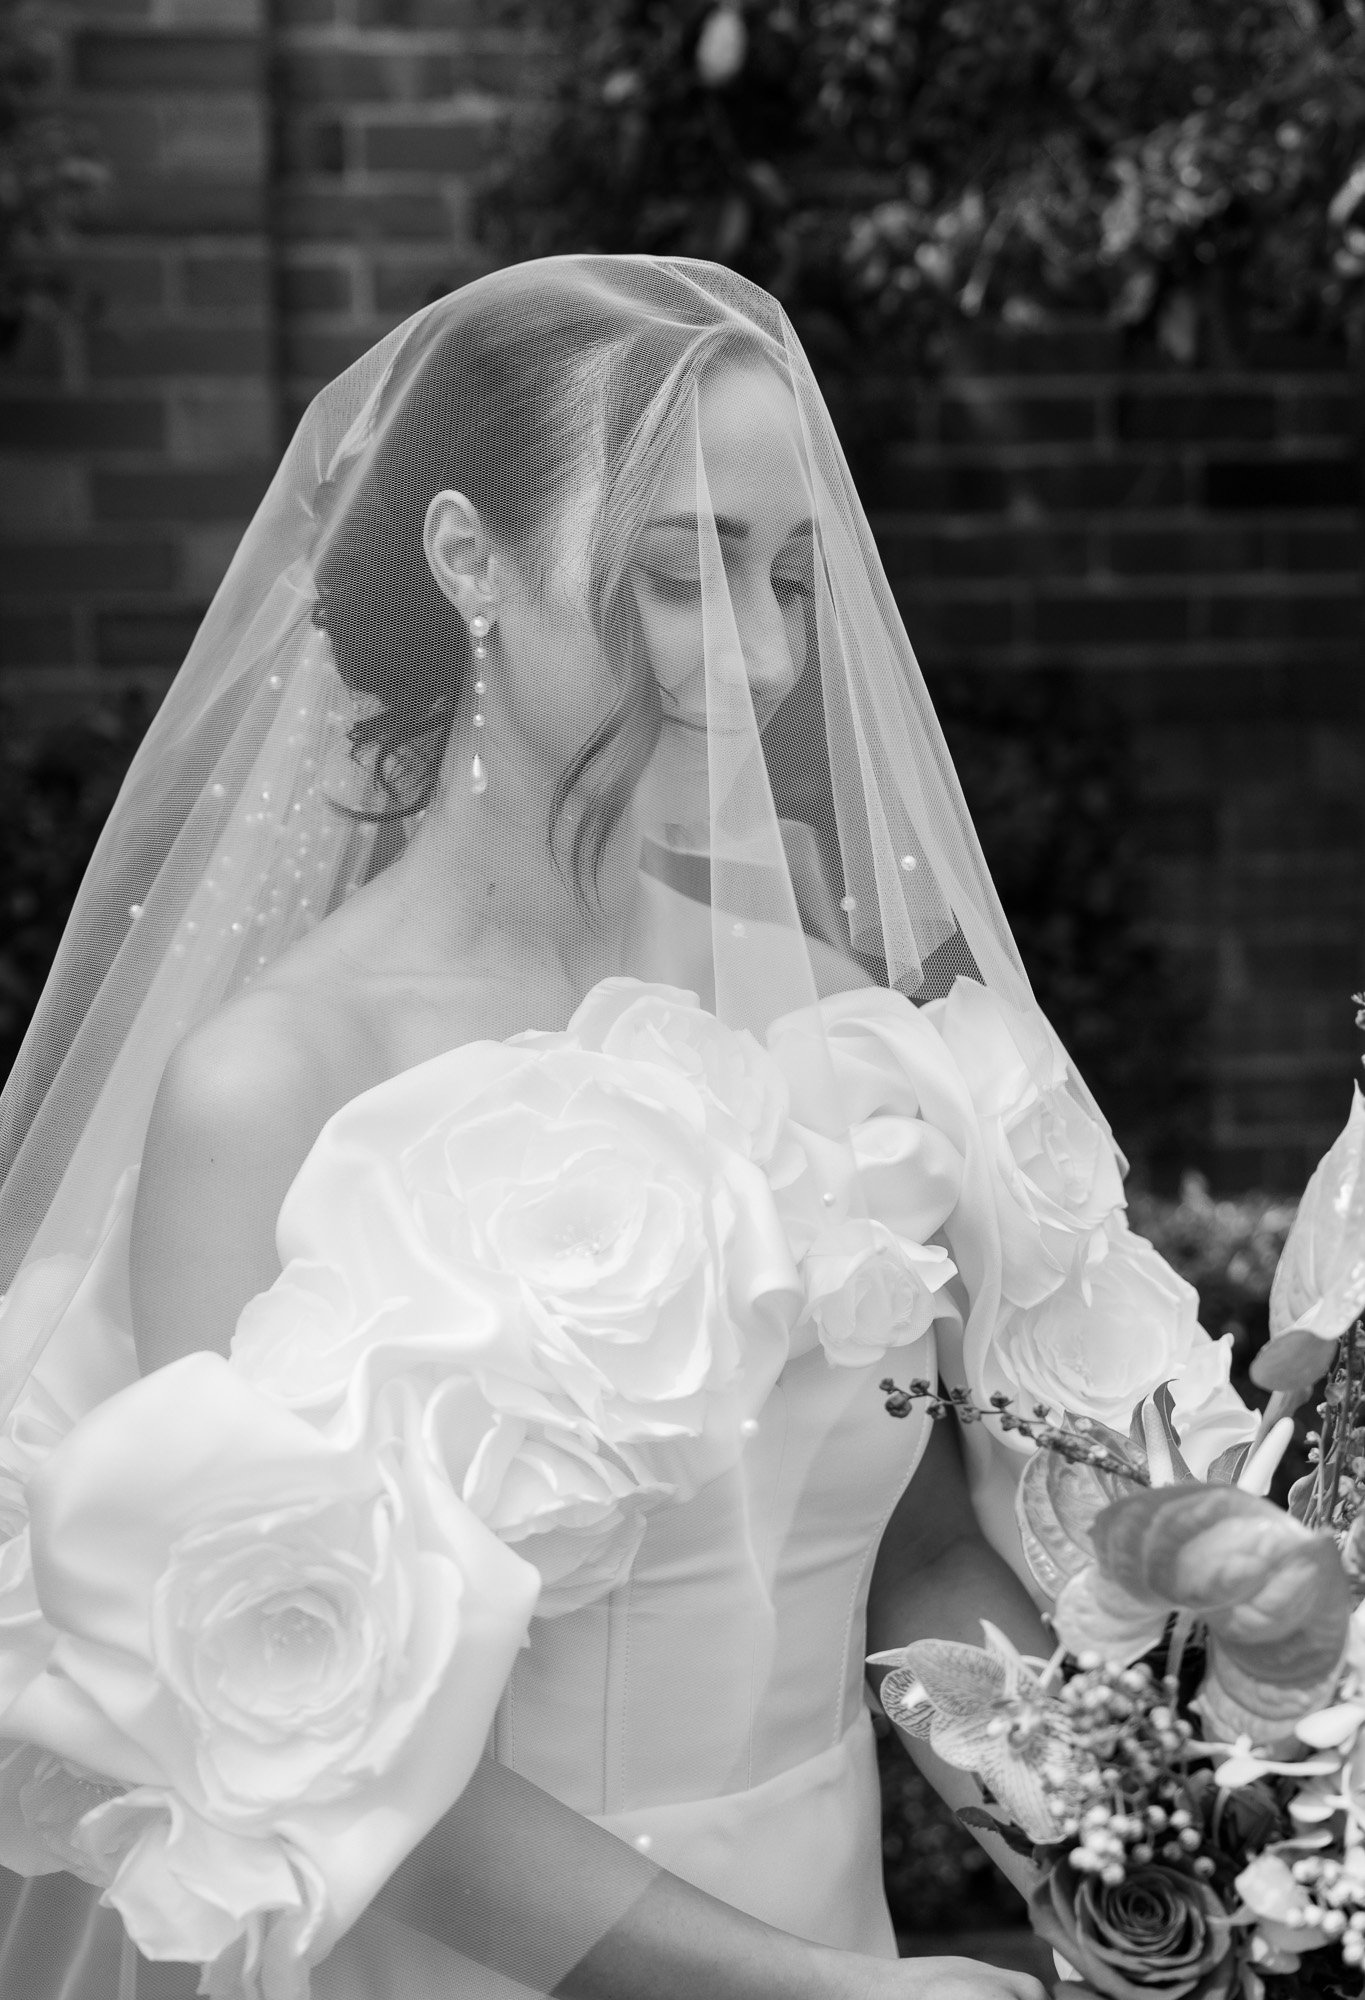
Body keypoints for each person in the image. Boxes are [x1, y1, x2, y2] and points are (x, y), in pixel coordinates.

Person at [0, 258, 1221, 2000]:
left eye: (792, 575)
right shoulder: (272, 1087)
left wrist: (1131, 1840)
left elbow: (915, 1543)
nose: (771, 653)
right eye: (683, 570)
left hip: (850, 1950)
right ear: (464, 559)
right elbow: (302, 1763)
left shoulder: (834, 1021)